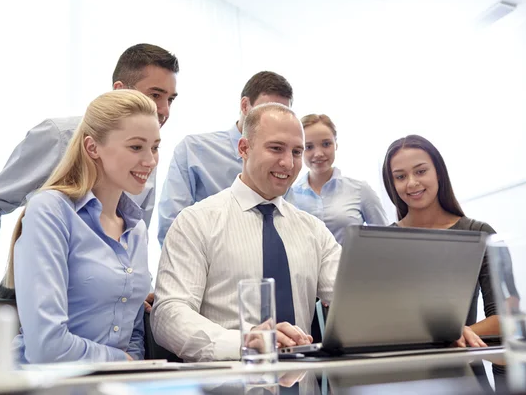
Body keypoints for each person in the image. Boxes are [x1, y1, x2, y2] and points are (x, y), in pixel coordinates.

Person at [0, 43, 178, 306]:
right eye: (155, 95)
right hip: (35, 296)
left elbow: (131, 238)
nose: (165, 109)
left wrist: (138, 287)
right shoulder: (59, 136)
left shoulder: (148, 159)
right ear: (120, 90)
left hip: (100, 305)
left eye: (170, 99)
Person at [151, 103, 341, 361]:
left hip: (303, 384)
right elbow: (169, 315)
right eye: (276, 148)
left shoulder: (314, 231)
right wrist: (245, 343)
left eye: (297, 151)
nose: (288, 162)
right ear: (243, 148)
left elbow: (354, 299)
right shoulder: (196, 223)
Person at [11, 90, 159, 363]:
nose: (150, 160)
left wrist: (132, 373)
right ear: (92, 147)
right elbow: (46, 347)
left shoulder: (136, 229)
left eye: (155, 147)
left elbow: (133, 337)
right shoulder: (50, 211)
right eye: (136, 147)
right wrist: (121, 363)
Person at [382, 134, 499, 348]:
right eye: (400, 176)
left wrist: (459, 334)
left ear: (438, 173)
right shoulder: (382, 242)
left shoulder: (478, 233)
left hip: (463, 369)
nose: (412, 183)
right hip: (400, 368)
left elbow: (502, 317)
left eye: (420, 171)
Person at [157, 71, 293, 246]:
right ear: (245, 106)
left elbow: (290, 222)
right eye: (266, 111)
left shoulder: (284, 162)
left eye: (283, 113)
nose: (276, 122)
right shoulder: (194, 150)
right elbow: (173, 225)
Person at [286, 114, 389, 244]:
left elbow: (384, 240)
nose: (318, 153)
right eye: (309, 147)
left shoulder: (360, 190)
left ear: (336, 144)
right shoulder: (289, 195)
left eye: (326, 144)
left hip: (350, 264)